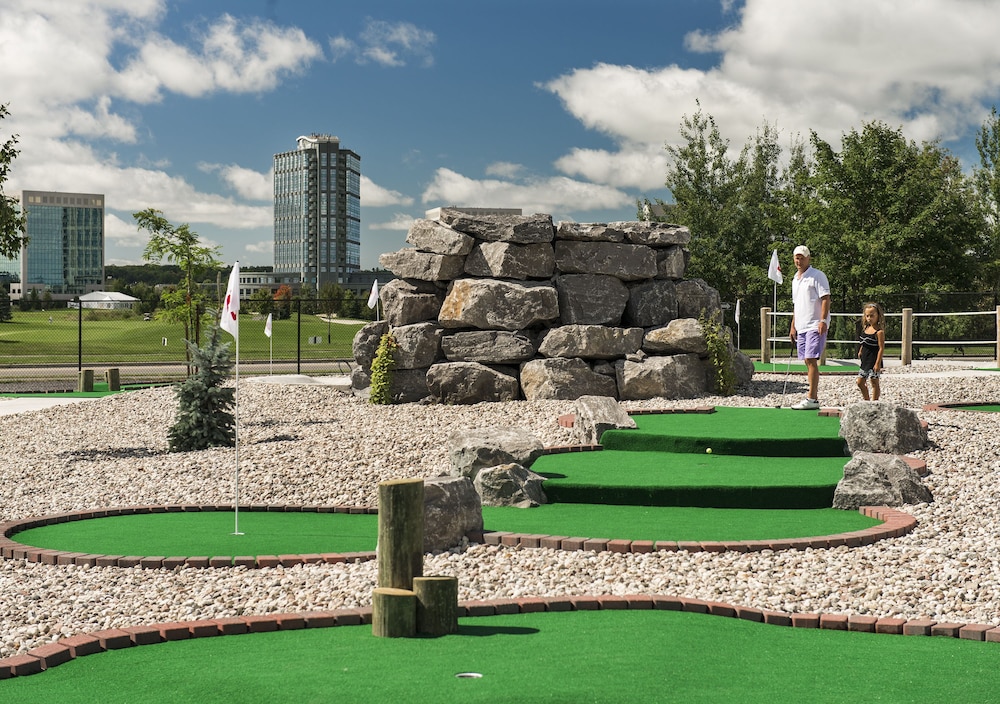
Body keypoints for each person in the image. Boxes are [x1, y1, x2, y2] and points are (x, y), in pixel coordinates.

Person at [788, 245, 831, 410]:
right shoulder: (795, 279)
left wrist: (823, 320)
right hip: (802, 325)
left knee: (811, 359)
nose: (799, 261)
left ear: (808, 258)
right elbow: (796, 304)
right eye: (797, 258)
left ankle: (812, 398)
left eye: (802, 258)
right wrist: (793, 326)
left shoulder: (817, 275)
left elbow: (825, 298)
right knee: (806, 360)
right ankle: (812, 397)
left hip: (814, 324)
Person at [856, 302, 885, 401]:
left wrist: (877, 363)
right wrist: (860, 351)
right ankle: (866, 400)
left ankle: (875, 401)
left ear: (878, 316)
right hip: (865, 359)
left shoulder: (879, 332)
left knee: (874, 382)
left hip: (874, 359)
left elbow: (881, 348)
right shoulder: (866, 329)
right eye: (867, 316)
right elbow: (864, 342)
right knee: (860, 382)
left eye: (872, 316)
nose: (869, 318)